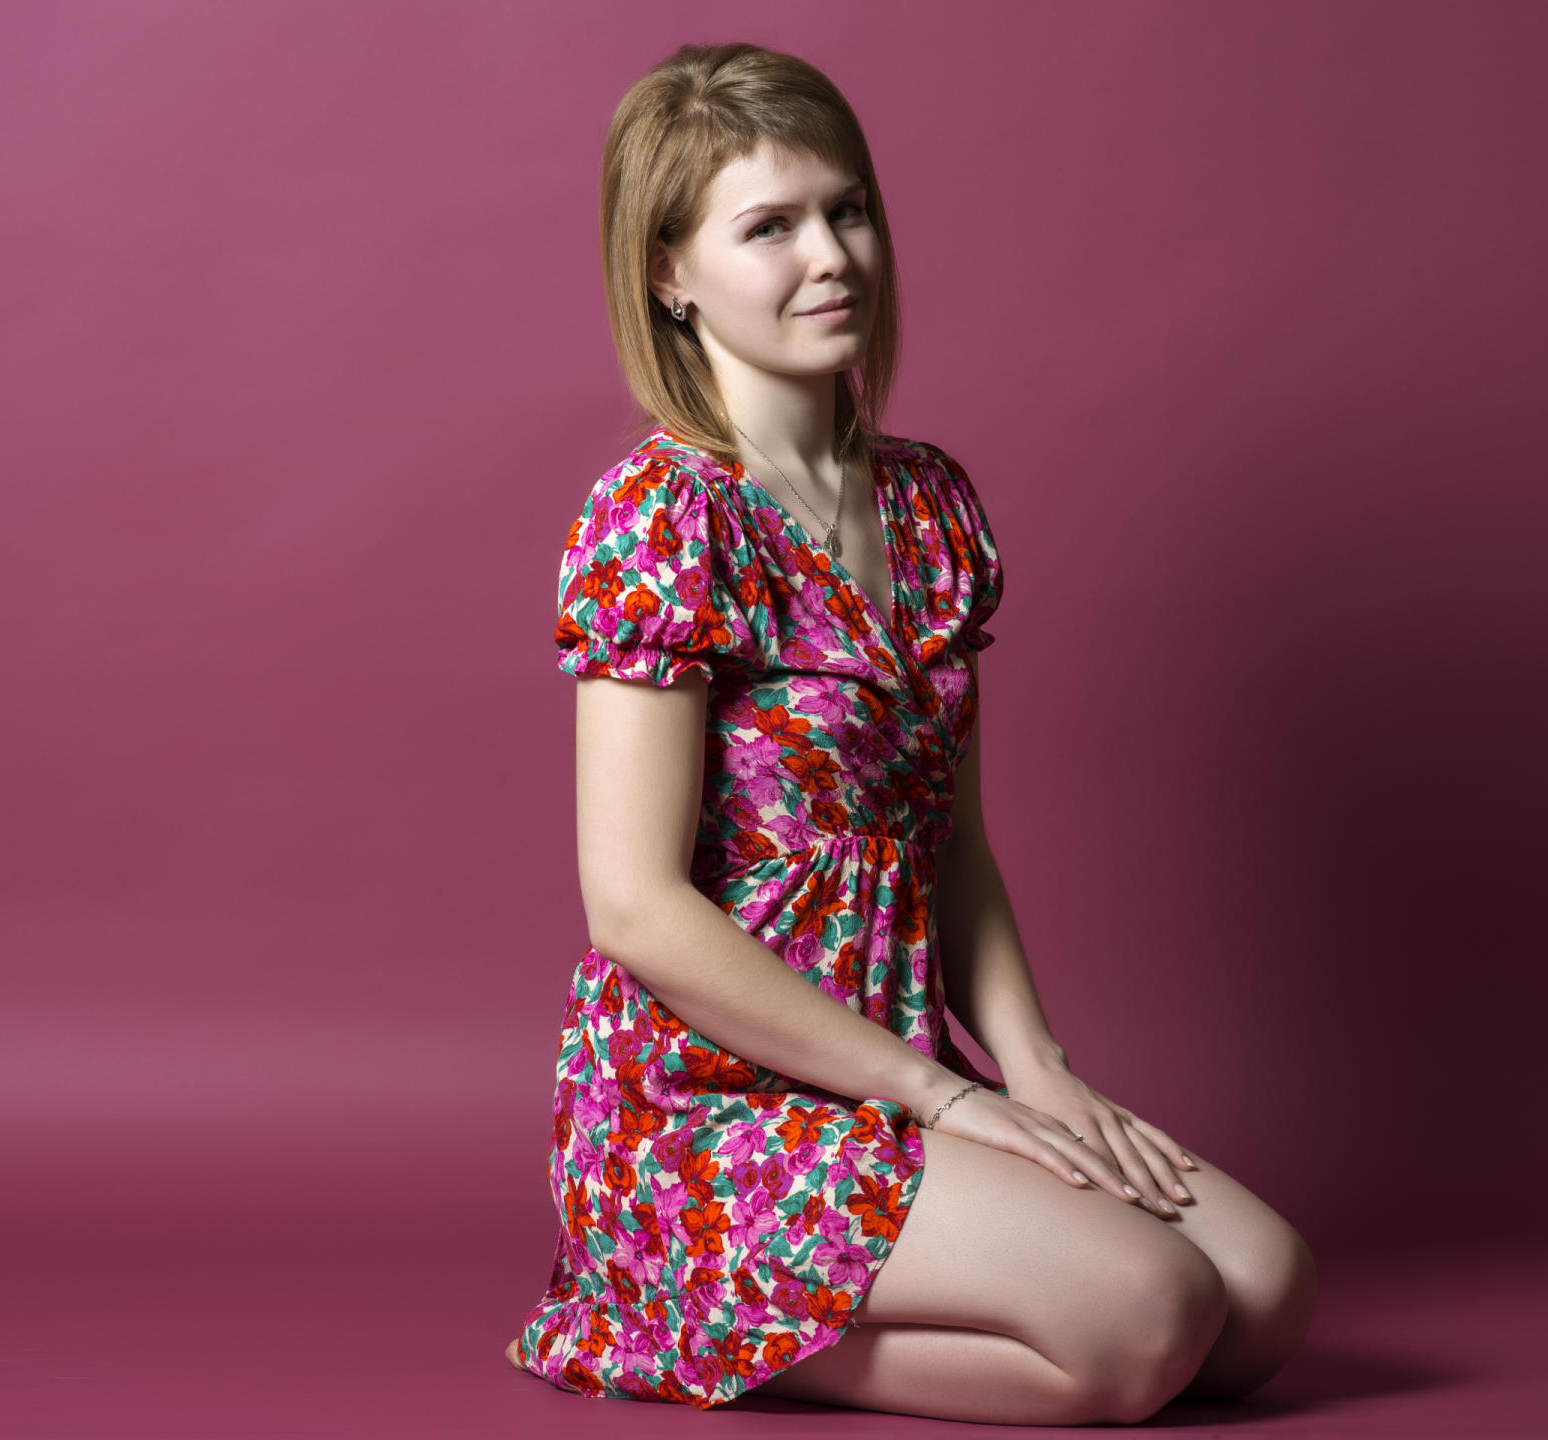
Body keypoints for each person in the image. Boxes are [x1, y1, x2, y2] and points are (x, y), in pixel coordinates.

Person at [504, 41, 1316, 1424]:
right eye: (770, 226)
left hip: (901, 1071)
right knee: (1149, 1319)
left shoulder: (931, 506)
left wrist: (1037, 1071)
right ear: (669, 274)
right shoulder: (662, 518)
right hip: (710, 1102)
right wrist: (942, 1100)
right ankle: (658, 1312)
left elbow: (954, 844)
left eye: (849, 210)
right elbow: (633, 907)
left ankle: (821, 1294)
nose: (832, 256)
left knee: (1261, 1294)